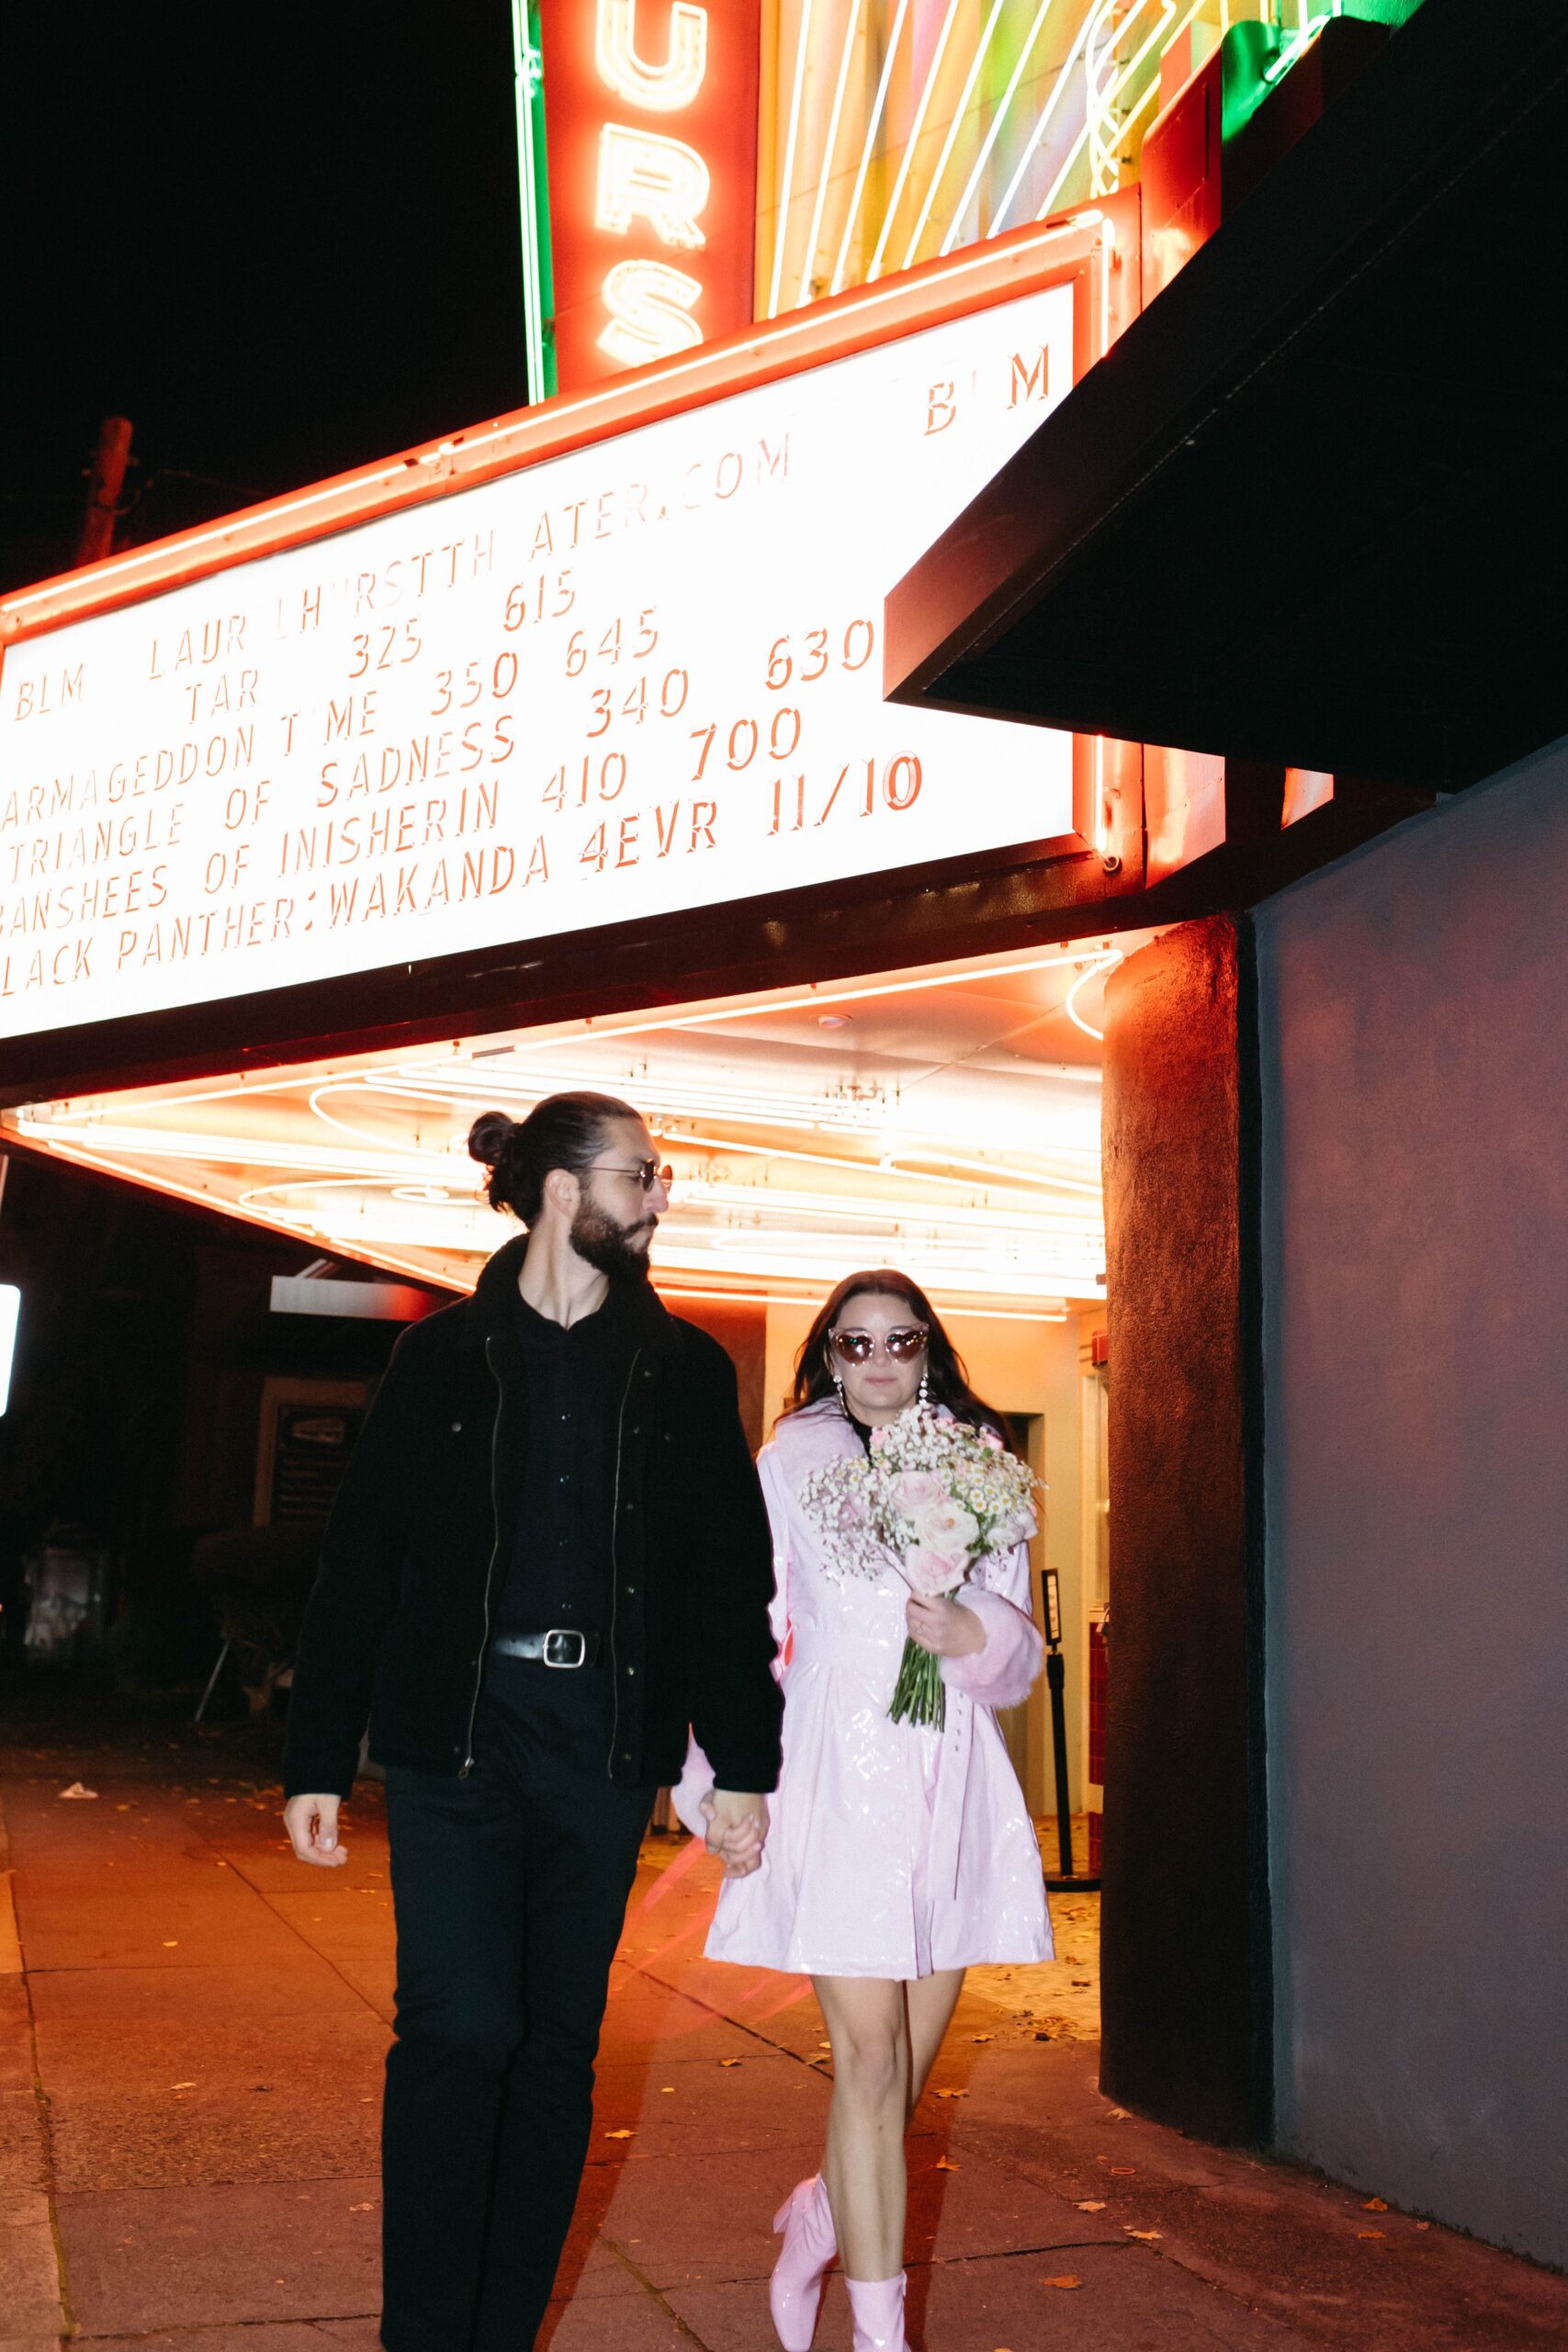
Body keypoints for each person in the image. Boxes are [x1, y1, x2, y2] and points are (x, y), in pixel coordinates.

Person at [281, 1091, 784, 2351]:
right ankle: (425, 2334)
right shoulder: (442, 1357)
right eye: (642, 1175)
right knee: (459, 2027)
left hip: (603, 1743)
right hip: (459, 1734)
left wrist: (743, 1763)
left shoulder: (682, 1371)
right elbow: (362, 1562)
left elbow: (728, 1580)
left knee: (556, 2047)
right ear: (566, 1190)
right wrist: (314, 1756)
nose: (661, 1195)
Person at [678, 1270, 1051, 2352]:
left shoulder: (984, 1467)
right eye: (856, 1345)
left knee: (906, 2076)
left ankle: (820, 2216)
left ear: (929, 1350)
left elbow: (1020, 1634)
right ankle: (881, 2342)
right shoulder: (790, 1464)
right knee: (873, 2065)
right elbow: (742, 1622)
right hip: (836, 1766)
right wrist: (718, 1777)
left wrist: (976, 1633)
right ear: (828, 1357)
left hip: (948, 1775)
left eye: (900, 1341)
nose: (880, 1362)